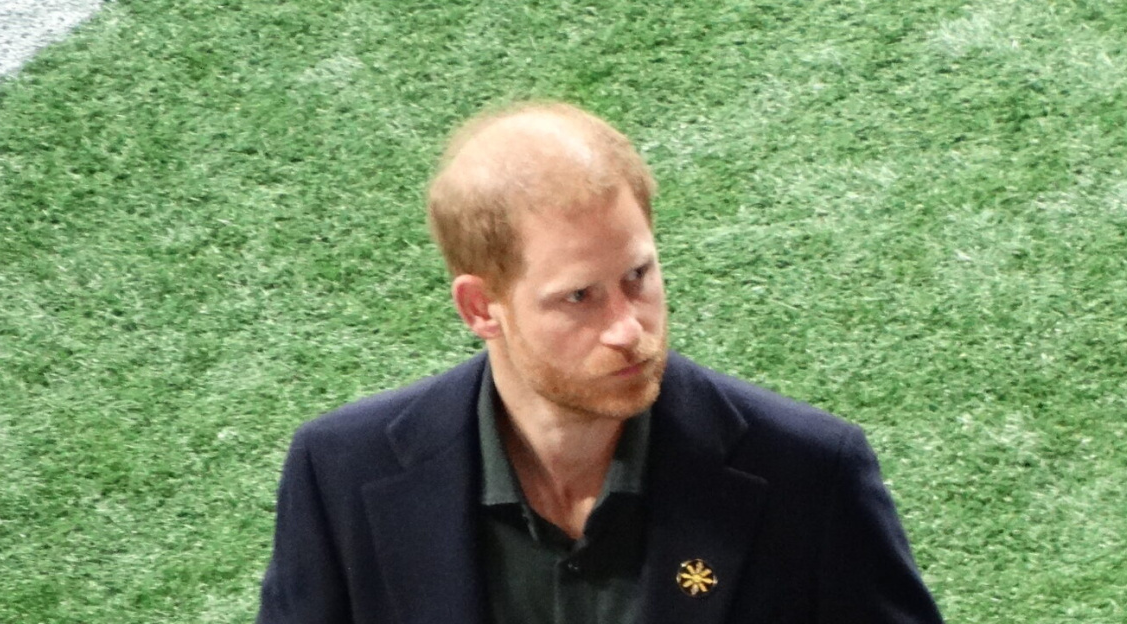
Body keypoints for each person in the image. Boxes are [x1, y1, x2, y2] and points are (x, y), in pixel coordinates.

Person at [256, 102, 943, 624]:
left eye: (639, 276)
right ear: (479, 308)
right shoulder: (339, 475)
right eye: (579, 297)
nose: (627, 329)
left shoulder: (809, 474)